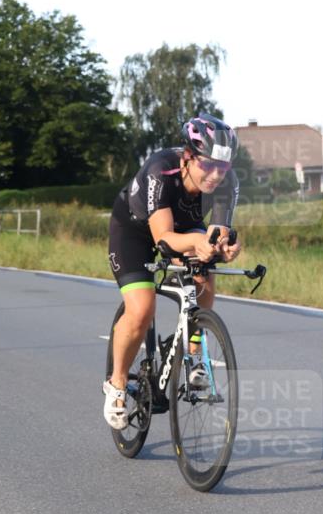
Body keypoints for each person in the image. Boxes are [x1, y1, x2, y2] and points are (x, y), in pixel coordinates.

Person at [103, 114, 242, 429]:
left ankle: (195, 361)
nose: (215, 175)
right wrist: (197, 241)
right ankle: (117, 383)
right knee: (141, 309)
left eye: (223, 168)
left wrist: (223, 248)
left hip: (186, 226)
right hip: (135, 231)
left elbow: (217, 233)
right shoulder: (160, 169)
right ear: (188, 157)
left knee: (203, 279)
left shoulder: (227, 182)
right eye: (208, 166)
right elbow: (163, 239)